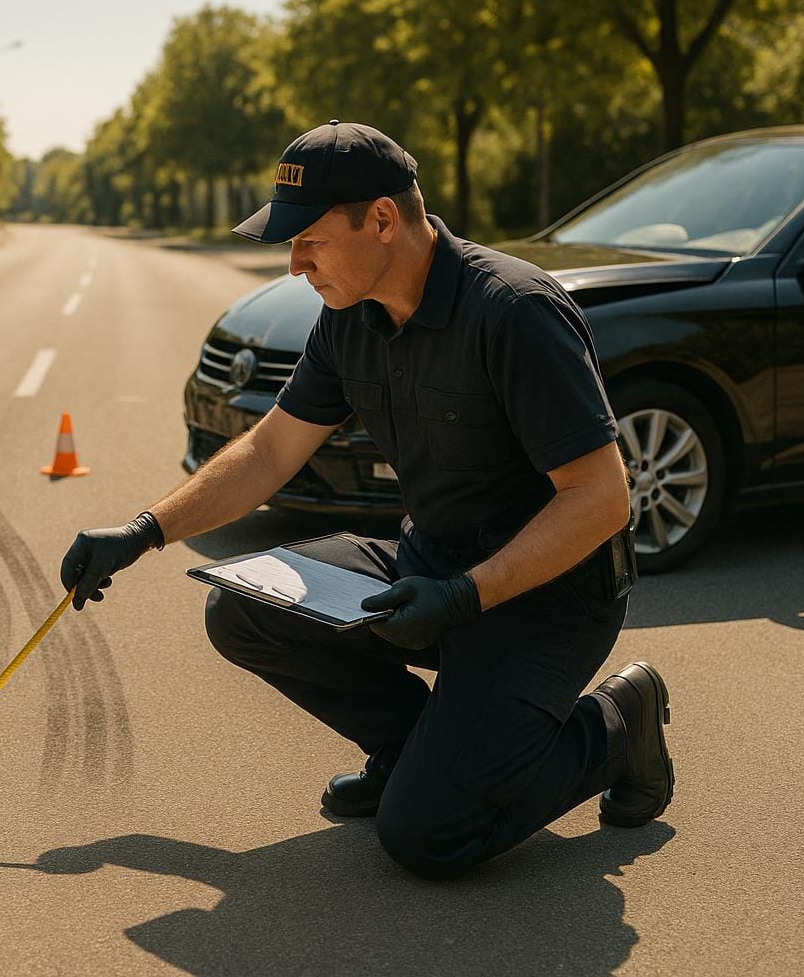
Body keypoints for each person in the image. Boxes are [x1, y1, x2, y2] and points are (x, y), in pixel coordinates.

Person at [59, 121, 674, 881]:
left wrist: (461, 597)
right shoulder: (348, 321)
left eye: (308, 241)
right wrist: (145, 530)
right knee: (243, 608)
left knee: (428, 835)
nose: (293, 265)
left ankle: (615, 728)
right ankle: (415, 750)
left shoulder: (514, 312)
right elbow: (268, 452)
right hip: (429, 569)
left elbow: (602, 499)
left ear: (382, 219)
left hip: (546, 601)